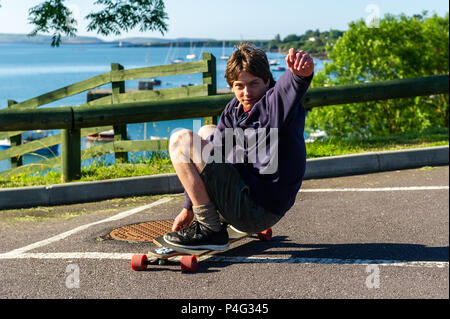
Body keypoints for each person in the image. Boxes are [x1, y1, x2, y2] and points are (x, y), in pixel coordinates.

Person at [163, 42, 314, 250]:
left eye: (254, 84)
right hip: (252, 200)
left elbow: (288, 88)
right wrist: (188, 207)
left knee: (180, 140)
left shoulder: (275, 104)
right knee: (207, 132)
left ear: (267, 81)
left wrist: (300, 75)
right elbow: (215, 153)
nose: (247, 93)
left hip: (258, 209)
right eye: (239, 86)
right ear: (231, 86)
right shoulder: (234, 109)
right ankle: (212, 216)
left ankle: (210, 229)